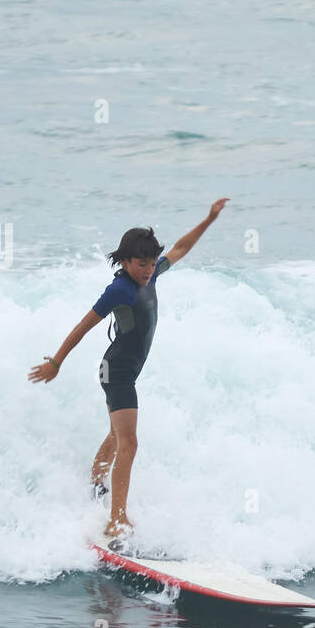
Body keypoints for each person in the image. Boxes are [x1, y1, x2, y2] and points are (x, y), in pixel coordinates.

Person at [28, 199, 229, 538]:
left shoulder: (150, 278)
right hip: (116, 370)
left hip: (128, 369)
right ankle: (116, 518)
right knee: (130, 443)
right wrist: (56, 362)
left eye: (152, 263)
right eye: (141, 264)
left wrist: (209, 219)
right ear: (124, 261)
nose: (149, 269)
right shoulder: (119, 289)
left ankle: (95, 482)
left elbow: (180, 248)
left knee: (118, 434)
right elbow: (83, 326)